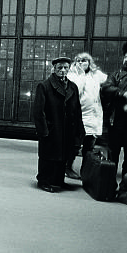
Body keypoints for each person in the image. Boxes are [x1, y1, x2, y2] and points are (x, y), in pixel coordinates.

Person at [33, 56, 85, 193]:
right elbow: (38, 111)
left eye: (65, 68)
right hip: (52, 128)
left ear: (69, 69)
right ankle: (43, 181)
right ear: (54, 69)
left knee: (63, 155)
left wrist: (80, 130)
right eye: (59, 68)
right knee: (48, 157)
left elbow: (77, 110)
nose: (63, 70)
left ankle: (58, 180)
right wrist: (44, 131)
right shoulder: (44, 86)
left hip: (67, 128)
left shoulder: (72, 87)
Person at [66, 52, 107, 179]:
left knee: (89, 145)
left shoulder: (96, 75)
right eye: (78, 60)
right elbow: (75, 90)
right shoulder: (73, 75)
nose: (81, 63)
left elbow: (106, 81)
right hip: (80, 114)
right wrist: (81, 74)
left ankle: (86, 169)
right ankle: (68, 167)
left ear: (89, 62)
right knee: (75, 144)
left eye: (84, 60)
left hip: (94, 115)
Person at [101, 42, 127, 202]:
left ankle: (125, 190)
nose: (126, 59)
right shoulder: (116, 75)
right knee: (112, 157)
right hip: (116, 124)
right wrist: (122, 93)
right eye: (125, 56)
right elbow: (106, 88)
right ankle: (108, 187)